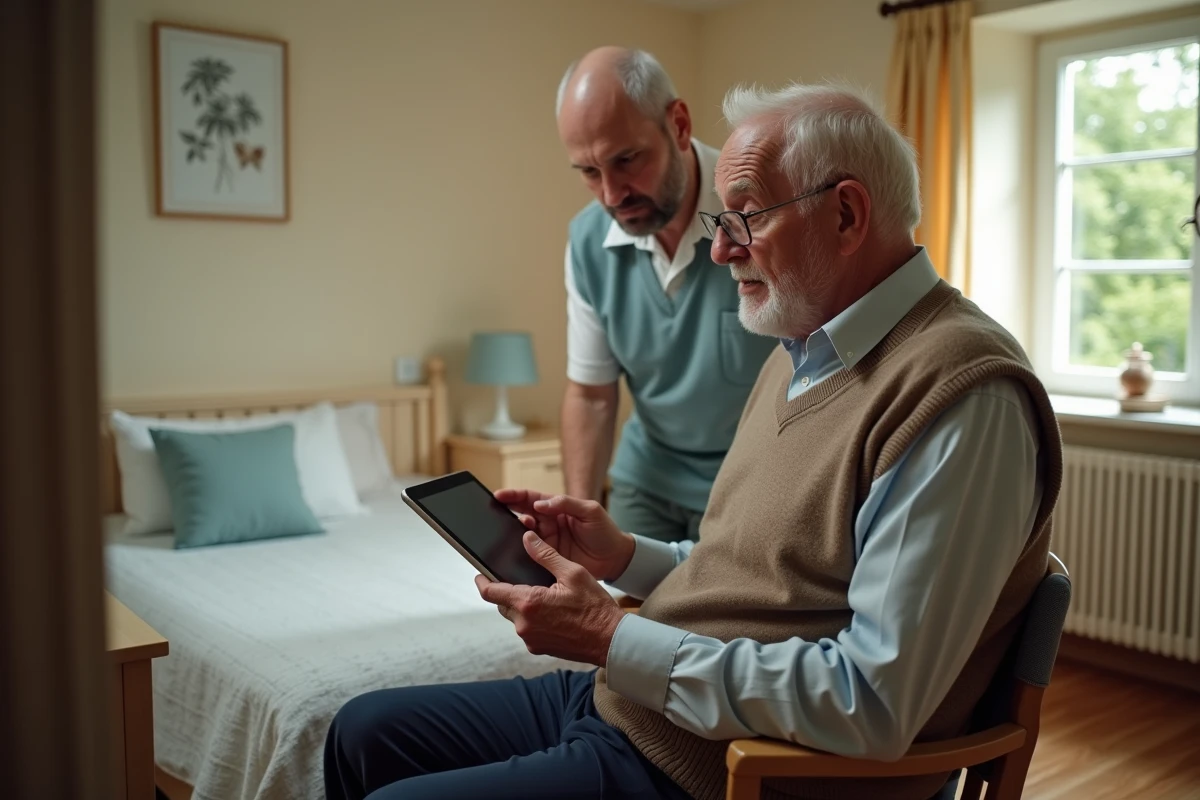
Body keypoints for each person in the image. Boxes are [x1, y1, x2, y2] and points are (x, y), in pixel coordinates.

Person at [324, 83, 1064, 800]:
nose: (721, 251)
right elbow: (758, 572)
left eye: (745, 217)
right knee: (358, 730)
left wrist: (614, 639)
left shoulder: (962, 398)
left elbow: (870, 702)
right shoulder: (800, 351)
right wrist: (623, 557)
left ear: (845, 214)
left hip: (730, 769)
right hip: (644, 709)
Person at [555, 46, 776, 544]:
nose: (612, 195)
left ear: (677, 124)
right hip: (647, 479)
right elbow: (591, 395)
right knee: (614, 613)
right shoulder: (588, 241)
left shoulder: (761, 212)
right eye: (589, 172)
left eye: (626, 160)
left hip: (752, 484)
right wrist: (578, 522)